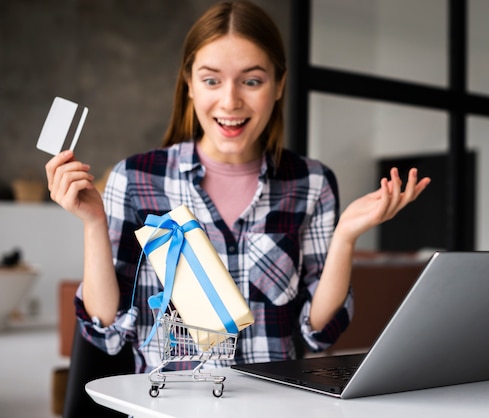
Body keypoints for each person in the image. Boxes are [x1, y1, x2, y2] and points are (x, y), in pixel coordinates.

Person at [45, 1, 430, 373]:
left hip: (273, 406)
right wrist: (93, 224)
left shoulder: (311, 184)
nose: (230, 101)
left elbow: (318, 336)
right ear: (190, 84)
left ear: (279, 85)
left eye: (252, 81)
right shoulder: (135, 179)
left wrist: (346, 236)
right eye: (211, 80)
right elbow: (105, 330)